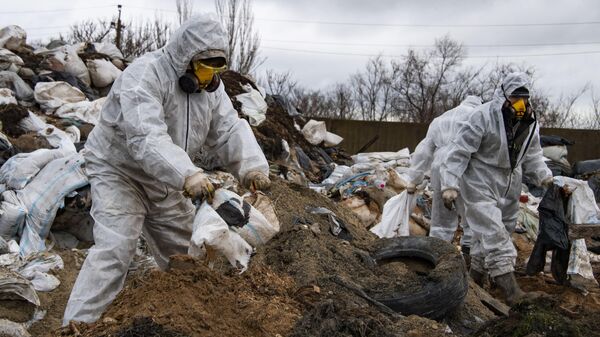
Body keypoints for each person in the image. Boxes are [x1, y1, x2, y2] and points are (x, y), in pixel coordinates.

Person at [63, 14, 270, 324]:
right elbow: (146, 138)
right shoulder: (145, 76)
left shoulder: (210, 90)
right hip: (120, 172)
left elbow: (227, 129)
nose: (206, 78)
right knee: (115, 251)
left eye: (215, 70)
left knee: (188, 258)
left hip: (168, 179)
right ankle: (76, 327)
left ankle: (186, 324)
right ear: (186, 58)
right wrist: (187, 174)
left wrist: (252, 168)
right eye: (202, 68)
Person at [440, 72, 552, 305]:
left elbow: (533, 154)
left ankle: (476, 280)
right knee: (493, 231)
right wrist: (449, 183)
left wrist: (544, 177)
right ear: (503, 96)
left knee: (501, 229)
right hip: (480, 178)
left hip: (511, 178)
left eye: (524, 98)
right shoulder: (483, 116)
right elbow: (460, 150)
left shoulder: (529, 123)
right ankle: (512, 292)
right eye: (514, 98)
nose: (520, 104)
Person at [406, 96, 482, 255]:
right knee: (471, 215)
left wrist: (414, 179)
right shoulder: (478, 117)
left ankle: (437, 254)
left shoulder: (440, 119)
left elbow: (424, 150)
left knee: (441, 217)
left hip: (439, 167)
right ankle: (469, 252)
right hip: (464, 166)